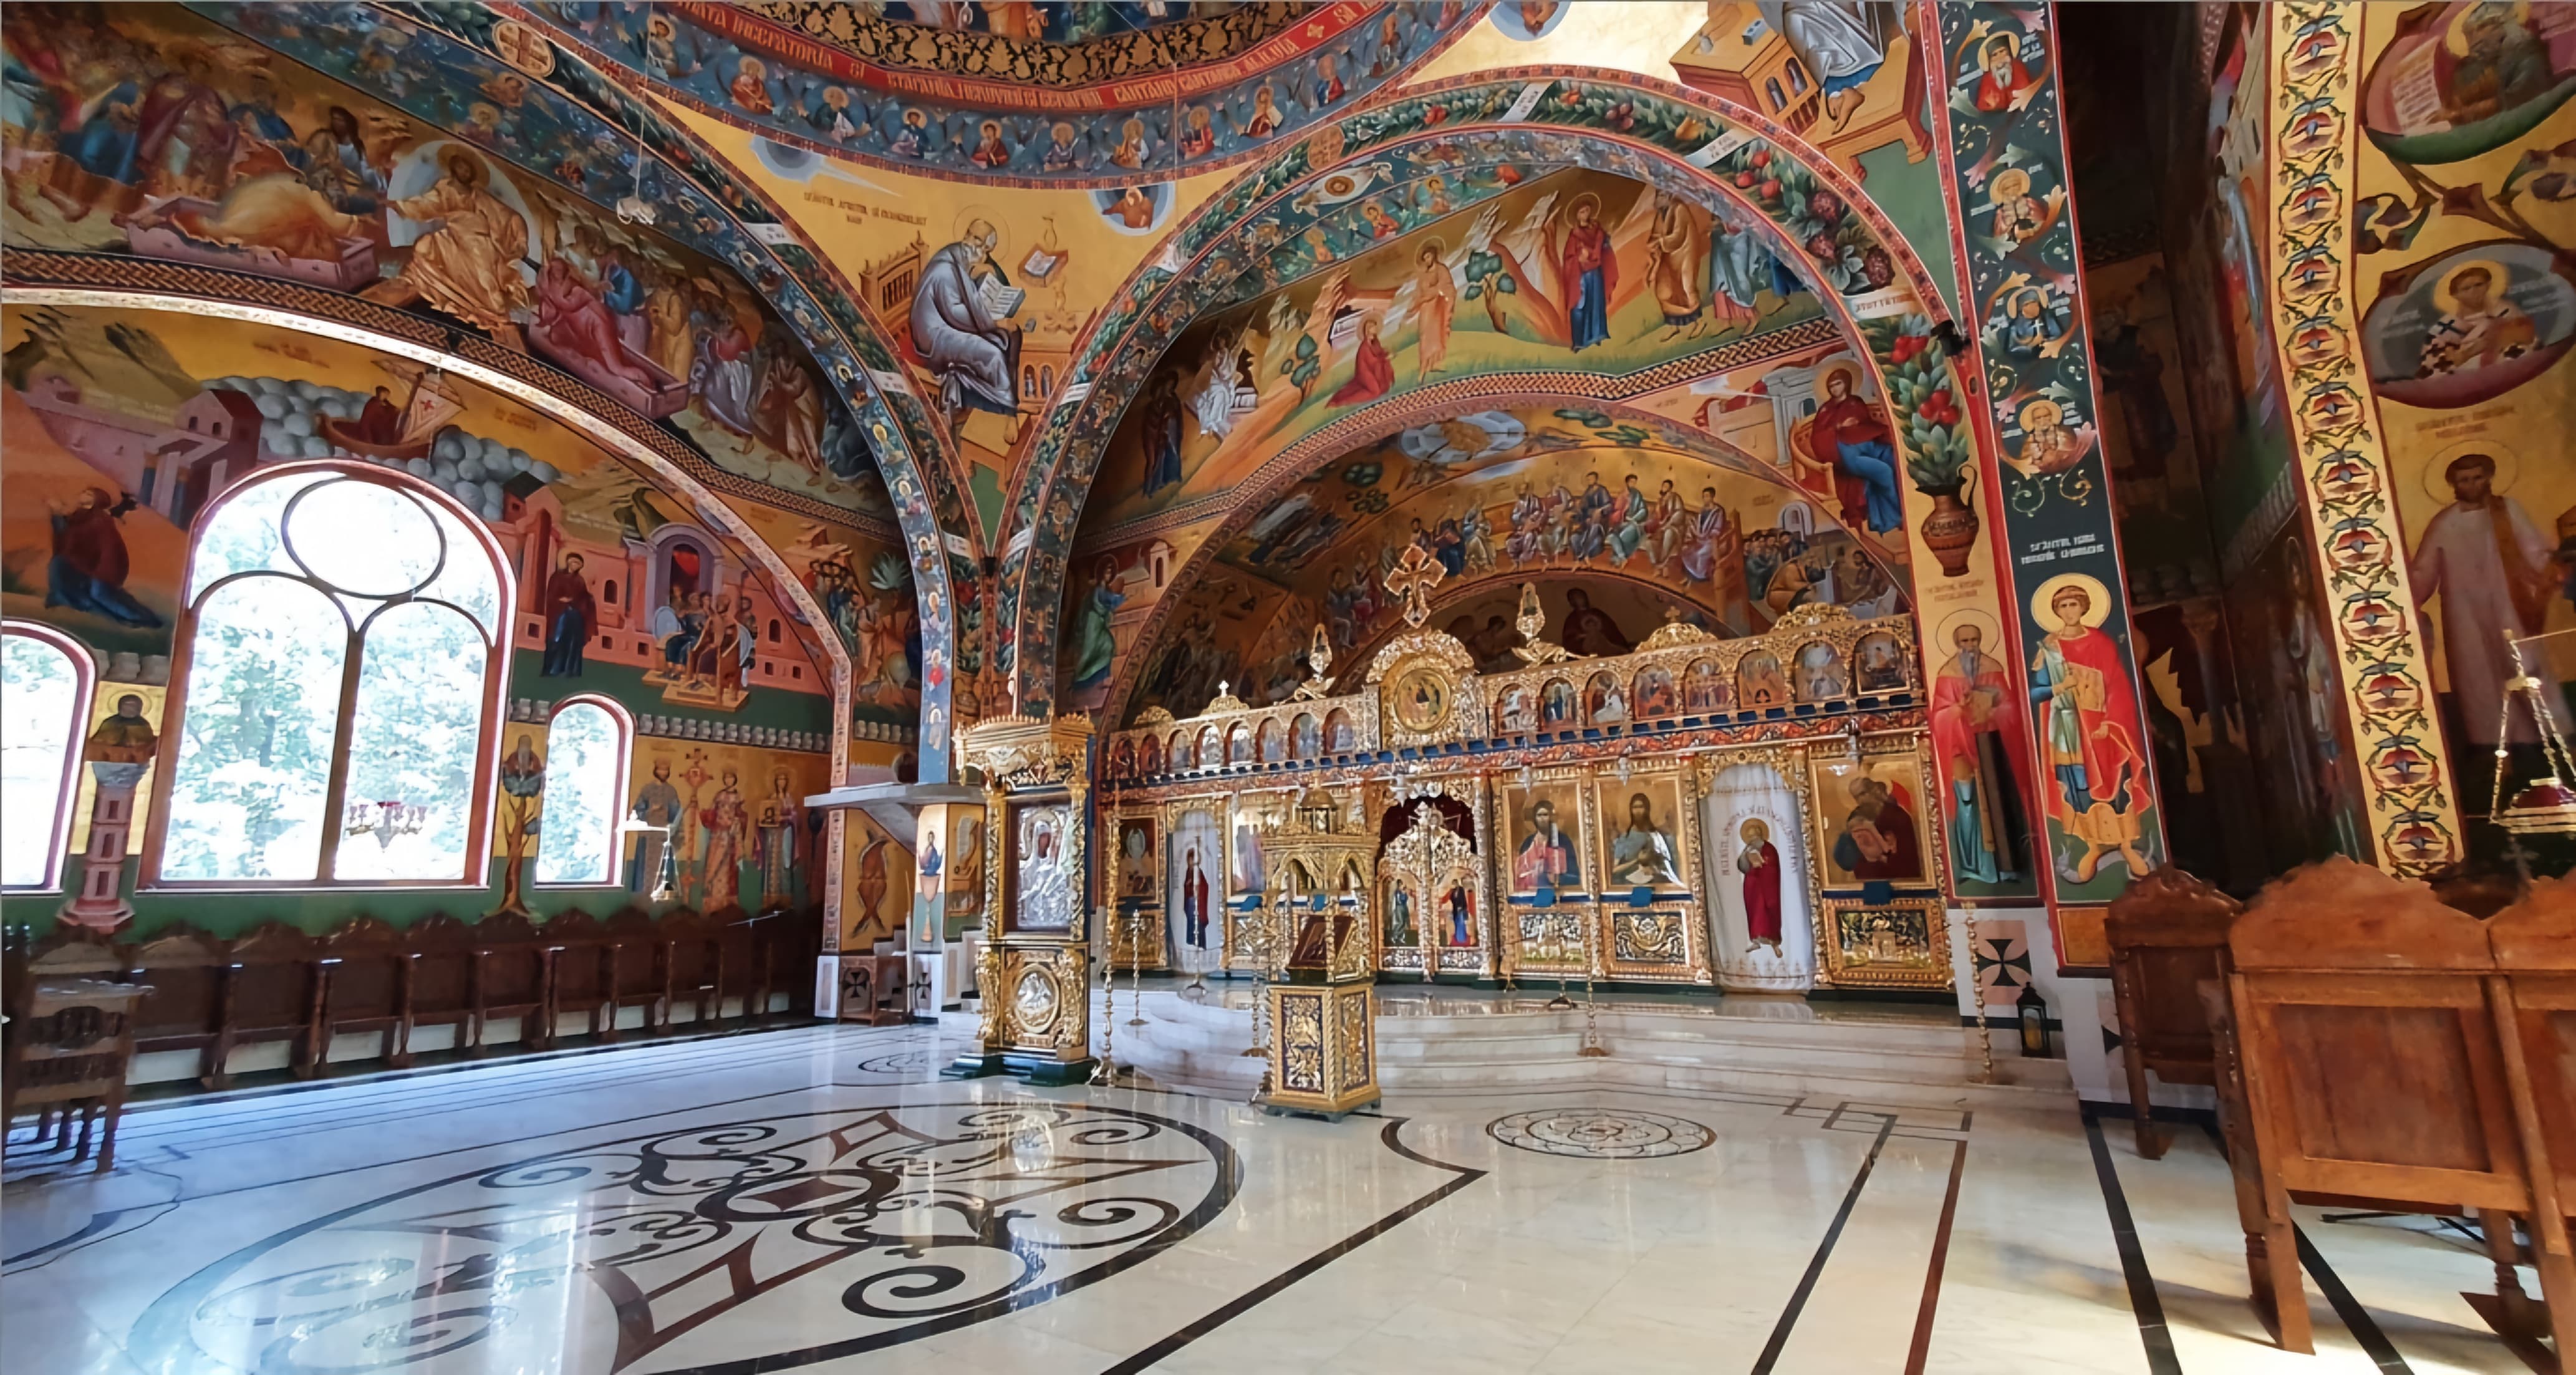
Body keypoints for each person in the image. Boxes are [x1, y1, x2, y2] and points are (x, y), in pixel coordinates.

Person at [2410, 452, 2562, 745]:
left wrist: (2554, 570)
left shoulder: (2508, 511)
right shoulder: (2444, 523)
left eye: (2477, 478)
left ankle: (2552, 736)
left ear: (2489, 478)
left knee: (2525, 666)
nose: (2471, 485)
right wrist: (2403, 598)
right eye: (2464, 480)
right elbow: (2422, 572)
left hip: (2509, 604)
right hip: (2463, 612)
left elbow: (2535, 551)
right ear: (2454, 484)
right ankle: (2492, 744)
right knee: (2477, 674)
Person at [2028, 583, 2152, 882]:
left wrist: (2111, 721)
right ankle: (2092, 846)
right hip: (2068, 727)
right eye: (2063, 606)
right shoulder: (2050, 647)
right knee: (2077, 785)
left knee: (2116, 781)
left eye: (2074, 604)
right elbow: (2035, 692)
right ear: (2056, 611)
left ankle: (2126, 845)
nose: (2069, 611)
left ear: (2084, 607)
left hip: (2101, 727)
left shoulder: (2101, 642)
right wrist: (2060, 687)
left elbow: (2117, 684)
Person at [387, 149, 530, 334]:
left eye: (468, 169)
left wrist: (520, 241)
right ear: (453, 169)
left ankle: (494, 313)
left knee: (489, 285)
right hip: (456, 239)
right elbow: (427, 204)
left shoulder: (480, 196)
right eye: (461, 168)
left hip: (482, 244)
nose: (465, 172)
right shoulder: (446, 190)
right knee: (426, 248)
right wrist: (400, 206)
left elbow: (509, 217)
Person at [1931, 622, 2027, 884]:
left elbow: (2011, 707)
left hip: (1991, 746)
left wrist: (1992, 710)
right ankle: (1971, 866)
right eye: (1964, 642)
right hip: (1961, 746)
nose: (1970, 646)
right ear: (1957, 644)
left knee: (1998, 800)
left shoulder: (1992, 668)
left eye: (1974, 640)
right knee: (1967, 802)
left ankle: (2006, 868)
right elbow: (1938, 716)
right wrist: (1958, 709)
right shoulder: (1947, 672)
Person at [909, 218, 1022, 429]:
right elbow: (955, 313)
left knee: (1009, 338)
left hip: (949, 324)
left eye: (979, 241)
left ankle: (999, 405)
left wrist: (979, 273)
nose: (970, 241)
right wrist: (995, 323)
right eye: (971, 235)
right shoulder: (945, 267)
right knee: (993, 354)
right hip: (935, 334)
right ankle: (1008, 412)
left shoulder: (965, 258)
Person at [1796, 365, 1901, 534]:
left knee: (1893, 458)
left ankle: (1886, 516)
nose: (1835, 389)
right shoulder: (1825, 410)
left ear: (1846, 383)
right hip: (1847, 455)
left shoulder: (1855, 402)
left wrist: (1858, 426)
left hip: (1869, 446)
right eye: (1831, 386)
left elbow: (1867, 424)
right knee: (1884, 472)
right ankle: (1899, 514)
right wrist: (1839, 426)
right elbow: (1818, 437)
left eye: (1838, 384)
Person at [45, 488, 158, 627]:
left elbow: (109, 548)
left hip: (105, 566)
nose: (83, 494)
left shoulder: (100, 520)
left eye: (89, 494)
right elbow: (65, 540)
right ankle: (119, 620)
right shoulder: (78, 517)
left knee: (100, 594)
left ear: (97, 500)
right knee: (62, 569)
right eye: (84, 492)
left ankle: (143, 619)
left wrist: (103, 574)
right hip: (84, 565)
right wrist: (57, 515)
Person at [2416, 263, 2537, 376]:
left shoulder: (2505, 311)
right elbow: (2433, 365)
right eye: (2466, 289)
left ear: (2488, 285)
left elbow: (2527, 339)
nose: (2474, 292)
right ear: (2455, 295)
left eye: (2479, 285)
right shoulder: (2444, 327)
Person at [1834, 774, 1922, 880]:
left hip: (1899, 871)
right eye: (1856, 797)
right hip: (1868, 874)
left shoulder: (1897, 815)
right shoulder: (1855, 817)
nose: (1860, 800)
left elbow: (1908, 851)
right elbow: (1850, 853)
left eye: (1863, 794)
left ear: (1873, 791)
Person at [1556, 195, 1616, 352]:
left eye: (1587, 210)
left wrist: (1605, 243)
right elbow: (1568, 257)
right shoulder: (1574, 235)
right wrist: (1578, 257)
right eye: (1582, 212)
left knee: (1596, 303)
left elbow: (1604, 248)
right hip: (1580, 275)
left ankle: (1597, 335)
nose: (1585, 214)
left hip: (1595, 273)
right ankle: (1579, 341)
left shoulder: (1598, 231)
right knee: (1579, 305)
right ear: (1577, 215)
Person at [1644, 191, 1705, 338]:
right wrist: (1655, 243)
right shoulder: (1662, 213)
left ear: (1669, 196)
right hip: (1668, 257)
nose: (1657, 200)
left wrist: (1661, 242)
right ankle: (1674, 326)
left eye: (1660, 196)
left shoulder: (1680, 209)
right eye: (1657, 196)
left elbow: (1678, 236)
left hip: (1684, 255)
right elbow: (1656, 234)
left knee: (1687, 288)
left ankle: (1700, 323)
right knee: (1664, 288)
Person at [627, 759, 682, 893]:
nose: (663, 773)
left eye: (666, 770)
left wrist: (672, 822)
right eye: (660, 770)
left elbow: (676, 814)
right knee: (645, 866)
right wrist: (651, 810)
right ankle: (644, 894)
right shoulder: (647, 789)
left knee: (664, 865)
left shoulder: (671, 791)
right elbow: (637, 811)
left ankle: (661, 894)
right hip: (648, 833)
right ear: (655, 771)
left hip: (663, 834)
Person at [1609, 792, 1683, 887]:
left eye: (1641, 807)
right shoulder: (1624, 838)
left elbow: (1667, 866)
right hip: (1630, 884)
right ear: (1631, 810)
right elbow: (1614, 870)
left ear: (1647, 809)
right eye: (1635, 807)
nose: (1638, 811)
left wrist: (1654, 870)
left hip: (1656, 883)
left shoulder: (1657, 836)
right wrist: (1637, 860)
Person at [541, 552, 596, 677]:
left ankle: (569, 670)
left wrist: (588, 599)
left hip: (574, 616)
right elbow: (551, 594)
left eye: (578, 564)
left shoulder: (580, 580)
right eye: (574, 563)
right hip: (559, 613)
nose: (575, 566)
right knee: (556, 640)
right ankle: (551, 669)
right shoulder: (557, 577)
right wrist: (561, 600)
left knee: (573, 643)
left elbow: (583, 596)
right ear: (568, 563)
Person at [1737, 817, 1782, 953]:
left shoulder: (1769, 848)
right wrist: (1747, 859)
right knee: (1754, 912)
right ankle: (1755, 940)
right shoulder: (1749, 848)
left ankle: (1774, 943)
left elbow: (1773, 865)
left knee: (1769, 912)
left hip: (1767, 885)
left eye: (1755, 837)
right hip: (1753, 886)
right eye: (1751, 838)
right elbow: (1742, 866)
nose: (1753, 840)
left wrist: (1763, 863)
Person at [1327, 316, 1394, 405]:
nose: (1375, 329)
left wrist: (1386, 353)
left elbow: (1379, 353)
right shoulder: (1364, 347)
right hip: (1365, 374)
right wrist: (1385, 358)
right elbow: (1372, 361)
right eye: (1373, 327)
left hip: (1372, 372)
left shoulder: (1375, 343)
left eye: (1375, 327)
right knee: (1376, 392)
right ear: (1368, 330)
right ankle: (1345, 401)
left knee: (1384, 388)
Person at [1412, 241, 1455, 377]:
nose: (1427, 260)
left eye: (1429, 256)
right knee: (1425, 337)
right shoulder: (1423, 276)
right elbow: (1419, 294)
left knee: (1436, 336)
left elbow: (1448, 287)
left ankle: (1434, 364)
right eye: (1425, 258)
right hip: (1426, 309)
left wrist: (1436, 291)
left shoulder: (1442, 270)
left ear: (1435, 255)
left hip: (1437, 308)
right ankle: (1423, 367)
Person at [1515, 798, 1578, 889]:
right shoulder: (1528, 843)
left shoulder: (1563, 841)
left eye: (1545, 815)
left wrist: (1556, 878)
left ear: (1551, 817)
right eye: (1539, 815)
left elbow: (1575, 876)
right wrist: (1534, 873)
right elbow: (1520, 876)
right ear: (1535, 819)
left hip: (1558, 892)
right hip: (1533, 893)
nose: (1542, 818)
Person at [1561, 588, 1633, 656]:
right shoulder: (1572, 618)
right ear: (1572, 602)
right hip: (1586, 646)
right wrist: (1583, 637)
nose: (1581, 598)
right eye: (1577, 597)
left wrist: (1601, 634)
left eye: (1582, 596)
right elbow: (1569, 640)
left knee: (1599, 639)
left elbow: (1612, 630)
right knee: (1594, 639)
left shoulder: (1597, 613)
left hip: (1605, 642)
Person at [1179, 843, 1210, 948]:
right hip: (1190, 903)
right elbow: (1187, 886)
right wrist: (1188, 886)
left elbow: (1204, 886)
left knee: (1198, 926)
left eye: (1193, 860)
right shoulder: (1189, 872)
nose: (1191, 862)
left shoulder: (1198, 872)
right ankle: (1192, 945)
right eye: (1190, 860)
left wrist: (1197, 888)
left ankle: (1199, 944)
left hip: (1197, 903)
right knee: (1192, 926)